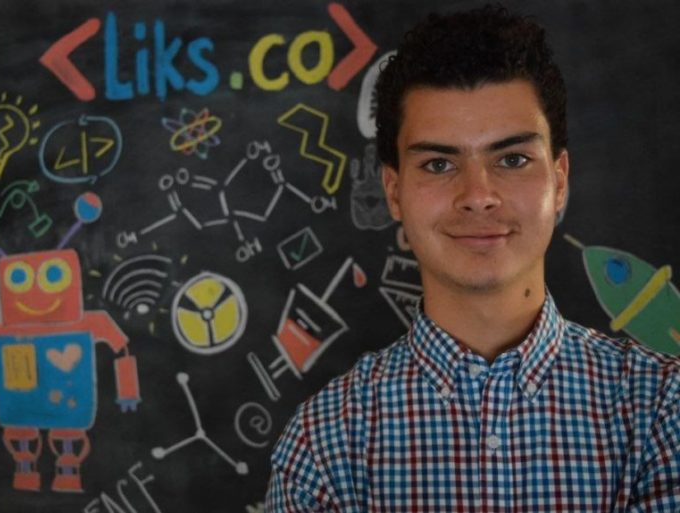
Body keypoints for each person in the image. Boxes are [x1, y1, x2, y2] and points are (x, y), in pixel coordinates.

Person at [265, 5, 680, 512]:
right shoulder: (323, 447)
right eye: (439, 164)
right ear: (393, 192)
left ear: (559, 180)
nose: (478, 195)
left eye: (512, 159)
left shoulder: (662, 410)